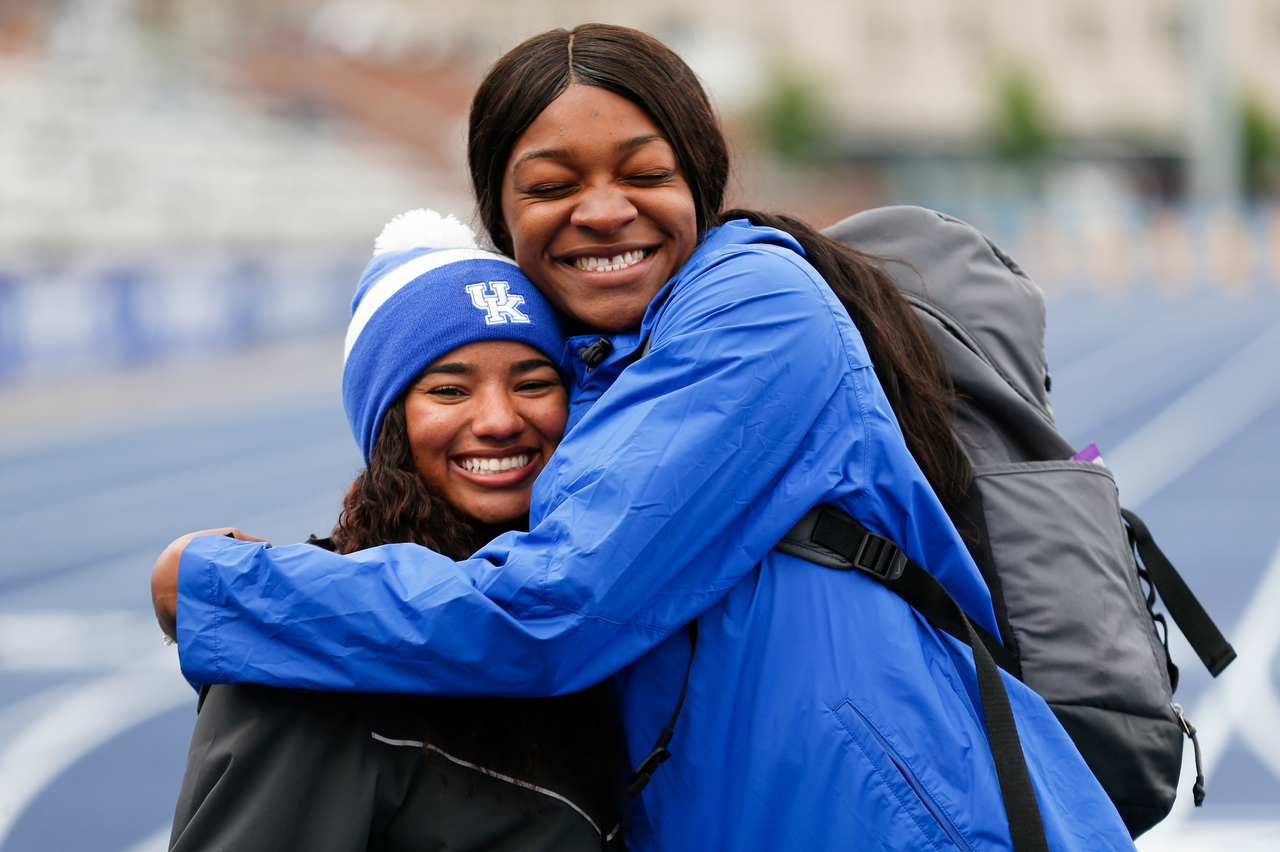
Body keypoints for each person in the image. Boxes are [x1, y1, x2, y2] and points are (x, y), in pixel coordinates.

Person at [153, 24, 1137, 852]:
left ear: (698, 181)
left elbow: (556, 609)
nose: (602, 209)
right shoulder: (605, 363)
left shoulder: (753, 306)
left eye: (642, 172)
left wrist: (218, 585)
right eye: (551, 185)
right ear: (499, 214)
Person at [166, 213, 625, 851]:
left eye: (533, 383)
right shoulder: (297, 658)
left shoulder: (604, 612)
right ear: (389, 426)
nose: (498, 420)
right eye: (448, 390)